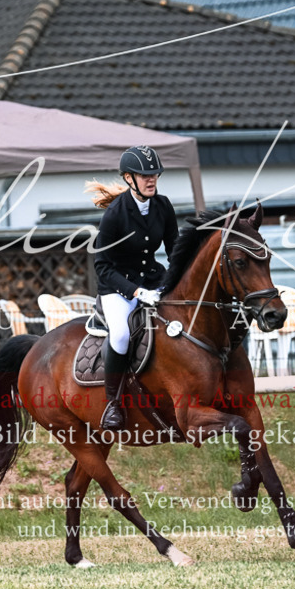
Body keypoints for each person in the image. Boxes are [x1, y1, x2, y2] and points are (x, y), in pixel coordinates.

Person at [88, 145, 179, 431]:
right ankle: (113, 404)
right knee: (122, 335)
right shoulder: (115, 214)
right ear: (129, 178)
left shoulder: (163, 205)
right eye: (145, 175)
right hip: (118, 286)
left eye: (155, 174)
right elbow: (102, 266)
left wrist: (173, 281)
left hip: (153, 279)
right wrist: (137, 292)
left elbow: (175, 251)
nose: (152, 179)